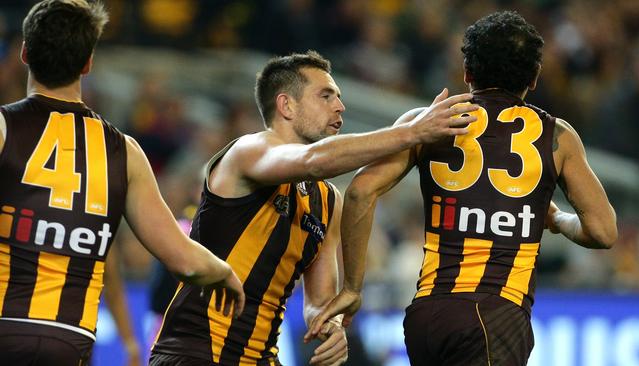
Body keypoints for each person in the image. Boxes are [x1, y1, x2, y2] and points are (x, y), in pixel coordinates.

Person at [307, 10, 618, 366]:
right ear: (534, 78)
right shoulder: (556, 136)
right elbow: (603, 231)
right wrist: (558, 219)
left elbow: (361, 191)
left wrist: (352, 287)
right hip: (495, 312)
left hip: (427, 315)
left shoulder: (426, 122)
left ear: (467, 73)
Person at [149, 50, 479, 365]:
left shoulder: (327, 199)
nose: (340, 106)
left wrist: (331, 326)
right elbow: (314, 161)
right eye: (326, 96)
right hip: (194, 352)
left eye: (338, 96)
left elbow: (318, 302)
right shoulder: (248, 151)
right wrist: (412, 132)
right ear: (286, 105)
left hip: (260, 357)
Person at [0, 1, 245, 365]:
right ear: (88, 63)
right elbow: (183, 260)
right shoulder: (123, 151)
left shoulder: (4, 128)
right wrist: (225, 272)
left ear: (24, 53)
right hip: (71, 339)